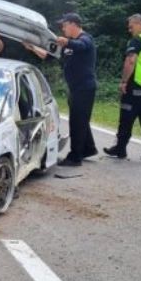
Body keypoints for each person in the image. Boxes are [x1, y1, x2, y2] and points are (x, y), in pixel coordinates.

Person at [103, 14, 141, 163]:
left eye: (131, 26)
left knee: (126, 118)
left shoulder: (138, 40)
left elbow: (131, 61)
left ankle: (120, 148)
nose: (130, 30)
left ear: (139, 23)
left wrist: (124, 81)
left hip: (135, 86)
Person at [53, 13, 97, 166]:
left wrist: (66, 42)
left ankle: (75, 157)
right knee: (81, 119)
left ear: (73, 24)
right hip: (75, 88)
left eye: (64, 25)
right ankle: (88, 148)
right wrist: (33, 48)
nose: (63, 28)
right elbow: (52, 56)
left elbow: (81, 45)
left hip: (85, 88)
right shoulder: (70, 44)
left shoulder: (85, 39)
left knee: (77, 122)